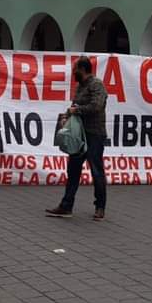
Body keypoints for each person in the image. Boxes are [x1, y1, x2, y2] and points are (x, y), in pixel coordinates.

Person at [46, 57, 108, 221]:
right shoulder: (79, 86)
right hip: (78, 135)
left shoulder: (97, 84)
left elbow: (97, 106)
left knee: (96, 171)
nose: (74, 72)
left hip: (94, 134)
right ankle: (66, 206)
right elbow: (74, 106)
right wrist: (66, 117)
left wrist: (77, 110)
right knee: (73, 170)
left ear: (83, 69)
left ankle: (100, 207)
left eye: (76, 69)